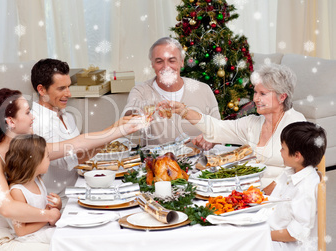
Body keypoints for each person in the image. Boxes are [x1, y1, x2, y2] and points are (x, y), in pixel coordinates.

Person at [0, 88, 142, 250]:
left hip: (24, 234)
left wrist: (119, 129)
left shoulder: (25, 149)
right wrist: (48, 214)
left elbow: (76, 144)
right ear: (11, 121)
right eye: (27, 112)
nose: (33, 117)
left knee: (80, 238)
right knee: (72, 244)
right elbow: (6, 207)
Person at [159, 64, 306, 191]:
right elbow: (216, 127)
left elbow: (296, 173)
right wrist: (182, 111)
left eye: (263, 94)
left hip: (278, 197)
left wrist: (261, 196)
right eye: (255, 92)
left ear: (282, 97)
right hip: (249, 190)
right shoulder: (253, 123)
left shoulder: (296, 124)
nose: (255, 99)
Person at [123, 37, 220, 148]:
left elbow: (219, 131)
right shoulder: (141, 91)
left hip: (201, 163)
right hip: (158, 163)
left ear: (182, 62)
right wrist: (138, 113)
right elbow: (128, 116)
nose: (166, 67)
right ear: (152, 64)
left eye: (172, 60)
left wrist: (211, 139)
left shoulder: (203, 90)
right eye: (159, 61)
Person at [31, 59, 92, 206]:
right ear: (41, 90)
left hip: (78, 188)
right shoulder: (35, 122)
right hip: (58, 203)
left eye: (69, 87)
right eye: (61, 88)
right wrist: (110, 135)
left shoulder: (67, 116)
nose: (69, 94)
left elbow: (81, 152)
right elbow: (69, 161)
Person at [269, 121, 326, 250]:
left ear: (297, 156)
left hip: (286, 244)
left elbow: (295, 233)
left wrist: (262, 235)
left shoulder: (306, 188)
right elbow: (271, 192)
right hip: (272, 229)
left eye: (283, 148)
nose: (280, 151)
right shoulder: (291, 171)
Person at [5, 134, 61, 244]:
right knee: (64, 238)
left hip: (44, 229)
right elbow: (21, 231)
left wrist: (57, 205)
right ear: (35, 162)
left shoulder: (38, 181)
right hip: (29, 238)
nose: (49, 160)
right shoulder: (18, 191)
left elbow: (47, 210)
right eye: (47, 156)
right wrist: (48, 217)